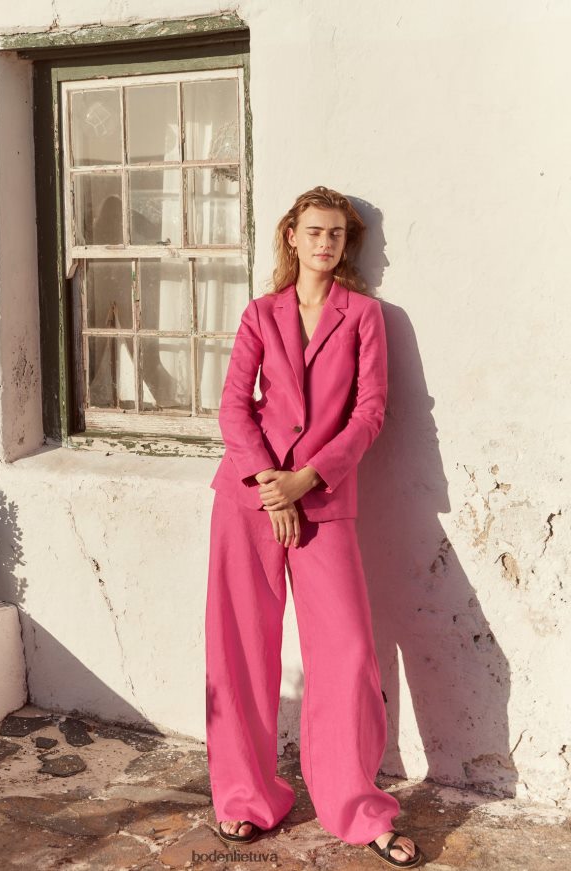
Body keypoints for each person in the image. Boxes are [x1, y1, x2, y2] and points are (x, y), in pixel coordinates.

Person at [204, 186, 424, 868]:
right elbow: (233, 406)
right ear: (292, 237)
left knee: (348, 654)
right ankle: (246, 798)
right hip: (248, 499)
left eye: (337, 234)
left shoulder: (365, 316)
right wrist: (271, 485)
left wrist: (307, 479)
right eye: (314, 231)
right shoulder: (260, 313)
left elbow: (370, 411)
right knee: (240, 649)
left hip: (323, 501)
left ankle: (357, 808)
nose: (325, 243)